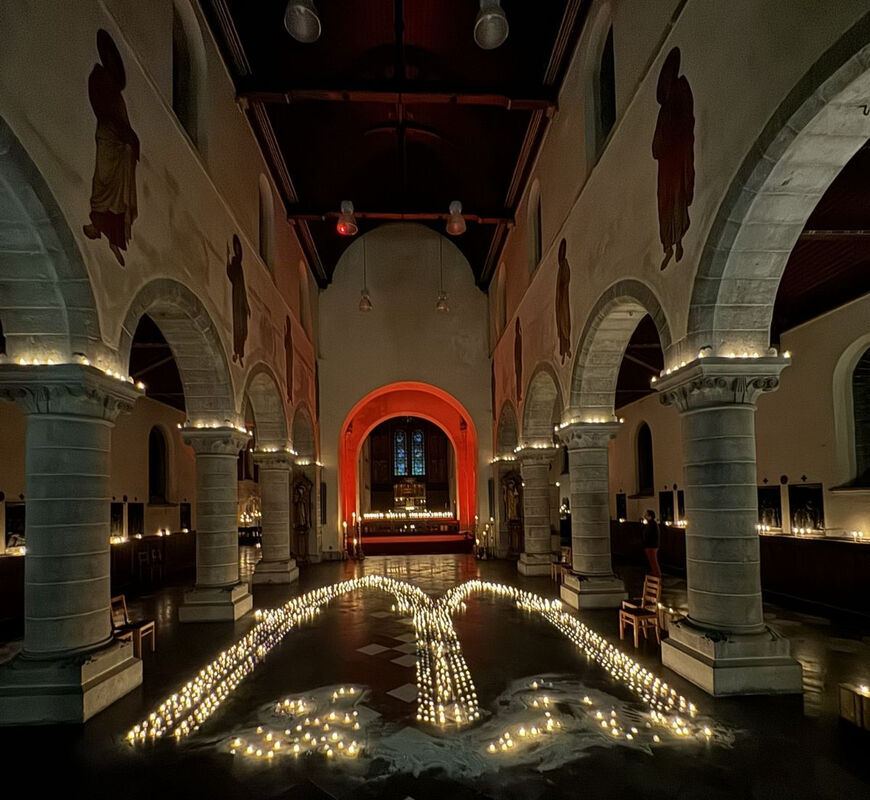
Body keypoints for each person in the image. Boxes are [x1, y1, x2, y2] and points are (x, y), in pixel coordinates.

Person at [83, 30, 139, 267]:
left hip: (118, 141)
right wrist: (123, 135)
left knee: (118, 195)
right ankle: (97, 224)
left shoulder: (116, 92)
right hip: (107, 138)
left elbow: (122, 120)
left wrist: (130, 140)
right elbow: (104, 110)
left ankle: (115, 240)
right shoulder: (98, 77)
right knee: (102, 182)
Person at [642, 509, 662, 577]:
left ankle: (657, 574)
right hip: (650, 545)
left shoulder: (652, 524)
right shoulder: (650, 524)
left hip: (651, 546)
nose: (645, 516)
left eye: (646, 515)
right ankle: (655, 573)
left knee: (654, 561)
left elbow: (650, 535)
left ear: (650, 516)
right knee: (652, 561)